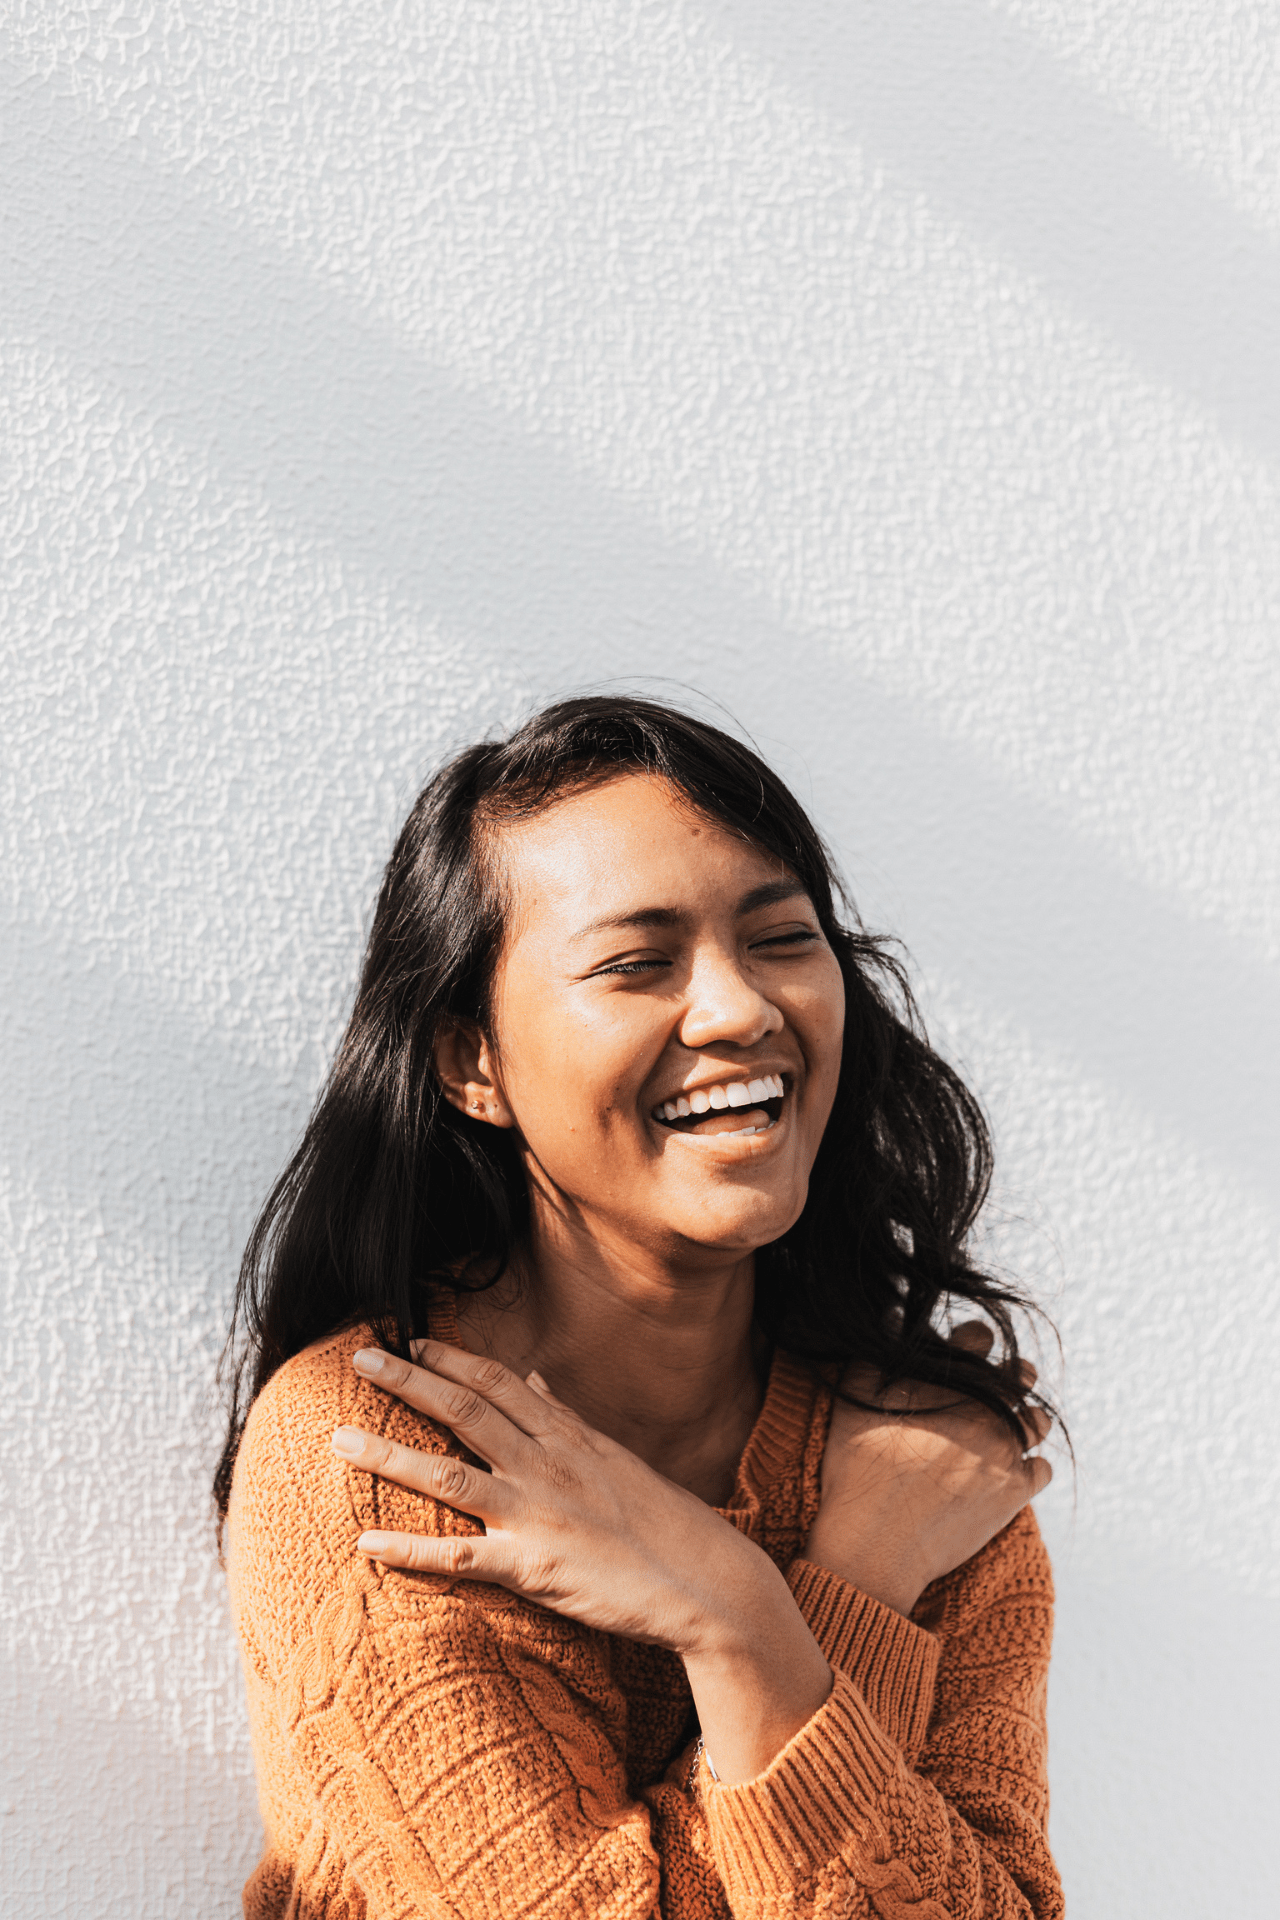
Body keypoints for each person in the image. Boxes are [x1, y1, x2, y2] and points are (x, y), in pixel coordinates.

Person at [217, 694, 1062, 1919]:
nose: (736, 1011)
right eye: (635, 964)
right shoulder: (379, 1461)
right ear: (473, 1064)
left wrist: (788, 1605)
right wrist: (793, 1607)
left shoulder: (928, 1460)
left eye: (780, 939)